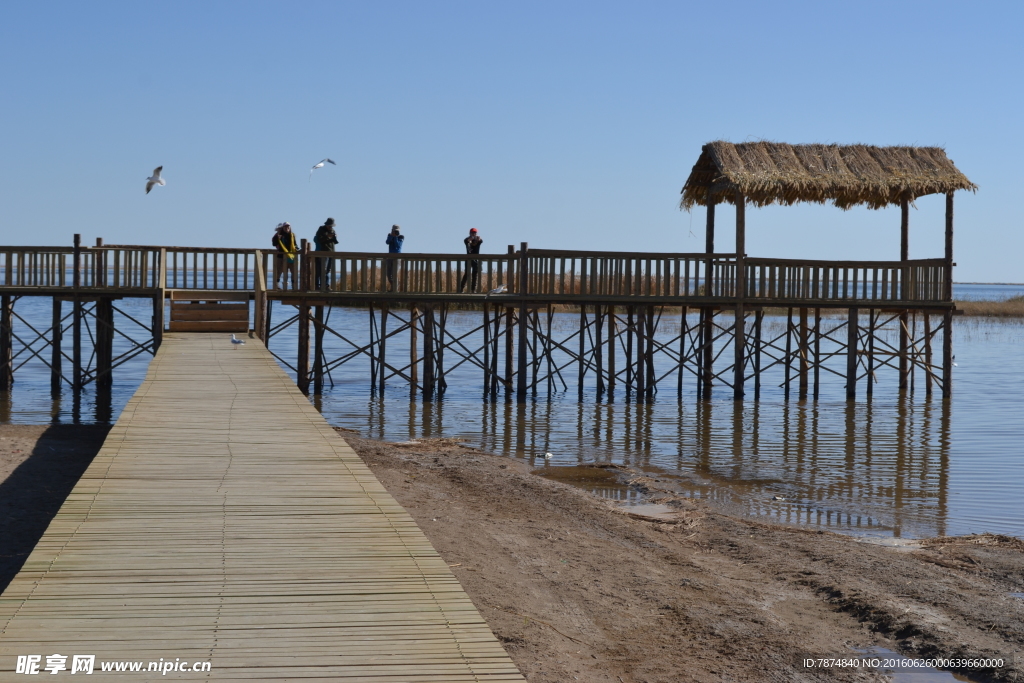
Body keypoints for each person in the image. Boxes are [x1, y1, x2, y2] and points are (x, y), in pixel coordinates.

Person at [313, 217, 338, 290]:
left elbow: (335, 242)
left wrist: (335, 237)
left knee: (327, 270)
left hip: (331, 252)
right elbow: (319, 239)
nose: (330, 227)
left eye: (331, 226)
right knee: (322, 270)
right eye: (329, 225)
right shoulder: (321, 229)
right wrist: (327, 236)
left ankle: (326, 286)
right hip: (323, 252)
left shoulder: (333, 230)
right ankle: (319, 286)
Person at [272, 222, 298, 289]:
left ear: (290, 228)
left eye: (288, 227)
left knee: (294, 271)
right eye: (285, 227)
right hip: (281, 256)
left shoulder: (292, 235)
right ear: (283, 228)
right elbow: (274, 243)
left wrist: (297, 248)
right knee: (279, 271)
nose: (287, 228)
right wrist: (278, 239)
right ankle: (276, 285)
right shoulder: (278, 235)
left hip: (291, 256)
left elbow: (295, 244)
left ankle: (294, 286)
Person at [458, 228, 483, 293]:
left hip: (475, 259)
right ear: (469, 233)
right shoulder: (466, 240)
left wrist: (478, 239)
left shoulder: (478, 240)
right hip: (468, 259)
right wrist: (470, 239)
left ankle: (473, 290)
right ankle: (461, 289)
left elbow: (481, 241)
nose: (473, 234)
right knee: (467, 274)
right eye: (472, 233)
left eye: (474, 233)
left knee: (475, 274)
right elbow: (467, 241)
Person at [385, 224, 404, 291]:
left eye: (396, 231)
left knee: (394, 274)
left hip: (397, 257)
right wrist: (391, 236)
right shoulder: (390, 236)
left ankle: (394, 289)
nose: (395, 232)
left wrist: (395, 237)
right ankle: (394, 286)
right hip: (390, 256)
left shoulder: (401, 237)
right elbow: (387, 242)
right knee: (388, 275)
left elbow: (398, 245)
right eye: (394, 230)